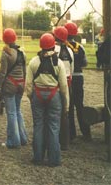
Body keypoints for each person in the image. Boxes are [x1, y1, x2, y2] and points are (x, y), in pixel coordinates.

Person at [26, 33, 69, 167]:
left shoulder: (33, 62)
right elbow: (63, 86)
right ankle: (54, 159)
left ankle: (38, 157)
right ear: (53, 46)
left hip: (38, 94)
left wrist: (31, 97)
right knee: (53, 127)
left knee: (38, 126)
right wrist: (66, 105)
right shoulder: (59, 63)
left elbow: (28, 85)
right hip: (54, 95)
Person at [0, 28, 27, 148]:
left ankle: (14, 141)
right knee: (18, 111)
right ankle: (23, 138)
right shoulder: (22, 52)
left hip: (9, 85)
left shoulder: (5, 53)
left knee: (11, 113)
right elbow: (24, 71)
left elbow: (2, 74)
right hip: (20, 84)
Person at [65, 22, 91, 141]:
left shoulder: (64, 47)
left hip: (69, 78)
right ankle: (86, 133)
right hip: (79, 77)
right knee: (79, 106)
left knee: (69, 107)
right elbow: (85, 63)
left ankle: (71, 135)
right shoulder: (80, 47)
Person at [54, 26, 74, 150]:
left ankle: (55, 139)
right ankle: (66, 141)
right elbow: (71, 68)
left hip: (57, 83)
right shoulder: (70, 51)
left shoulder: (54, 49)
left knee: (54, 112)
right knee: (66, 112)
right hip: (68, 82)